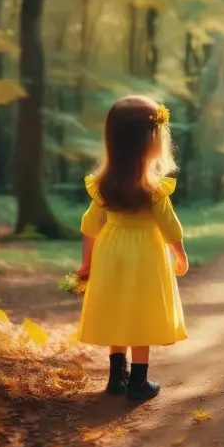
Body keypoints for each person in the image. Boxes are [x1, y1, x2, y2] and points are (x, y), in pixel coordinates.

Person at [75, 95, 189, 400]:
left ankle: (116, 379)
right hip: (146, 255)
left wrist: (86, 263)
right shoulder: (154, 189)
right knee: (141, 313)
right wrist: (180, 255)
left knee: (117, 310)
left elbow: (90, 226)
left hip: (111, 251)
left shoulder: (102, 186)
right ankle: (138, 382)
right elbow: (169, 226)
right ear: (150, 142)